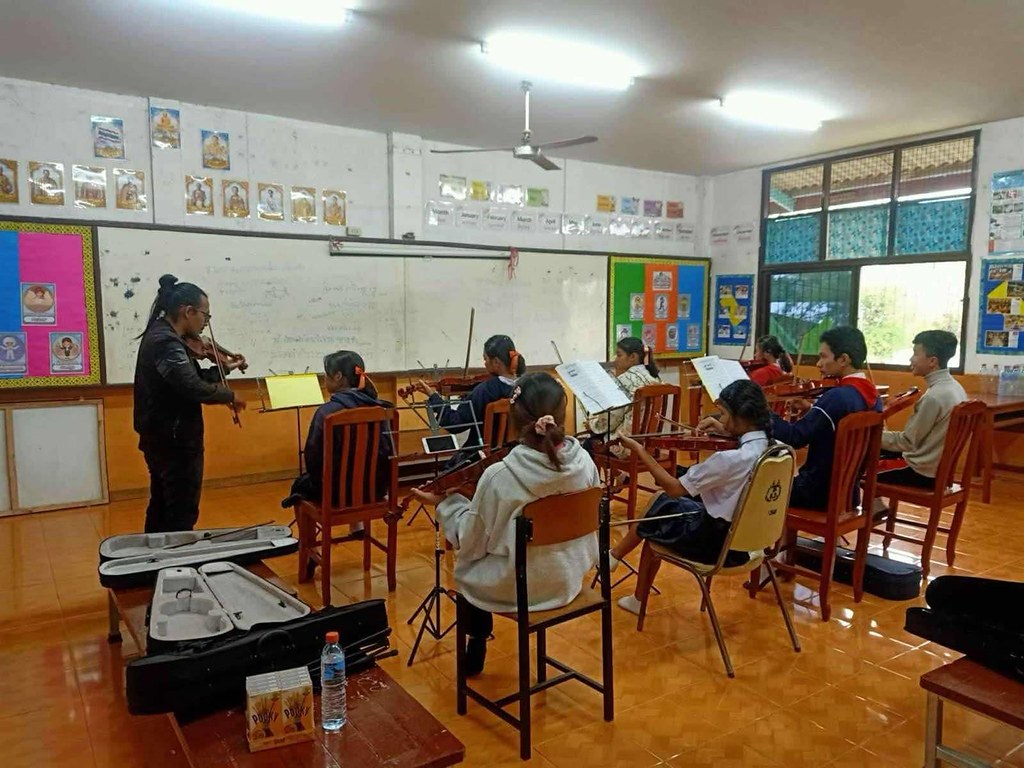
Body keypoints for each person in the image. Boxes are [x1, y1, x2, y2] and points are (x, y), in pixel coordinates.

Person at [410, 372, 600, 675]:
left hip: (520, 589)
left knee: (468, 567)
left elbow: (469, 541)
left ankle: (477, 640)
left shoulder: (500, 476)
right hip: (570, 577)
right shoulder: (586, 462)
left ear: (514, 417)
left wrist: (448, 503)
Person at [609, 380, 772, 614]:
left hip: (716, 546)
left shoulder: (730, 460)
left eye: (724, 415)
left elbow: (673, 488)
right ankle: (615, 557)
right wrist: (726, 430)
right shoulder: (777, 449)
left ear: (742, 416)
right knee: (662, 503)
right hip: (748, 543)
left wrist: (639, 450)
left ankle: (636, 594)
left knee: (657, 518)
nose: (721, 420)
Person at [133, 274, 246, 533]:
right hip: (173, 440)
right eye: (205, 316)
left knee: (162, 504)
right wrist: (229, 396)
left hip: (163, 436)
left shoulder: (167, 337)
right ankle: (174, 565)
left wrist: (225, 368)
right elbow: (191, 386)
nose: (206, 324)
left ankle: (154, 562)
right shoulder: (165, 341)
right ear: (188, 311)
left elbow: (192, 378)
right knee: (180, 509)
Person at [769, 326, 881, 509]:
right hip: (848, 494)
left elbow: (795, 437)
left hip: (815, 494)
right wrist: (812, 408)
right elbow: (836, 423)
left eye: (823, 356)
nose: (818, 364)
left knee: (754, 487)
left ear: (843, 359)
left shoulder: (837, 396)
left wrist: (760, 412)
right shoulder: (873, 396)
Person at [282, 351, 394, 531]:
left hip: (337, 495)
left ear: (338, 376)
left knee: (301, 484)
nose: (324, 378)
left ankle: (308, 545)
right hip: (375, 491)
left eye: (326, 374)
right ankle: (356, 527)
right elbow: (388, 451)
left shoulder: (327, 412)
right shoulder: (381, 409)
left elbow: (313, 459)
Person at [409, 334, 525, 457]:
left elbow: (455, 423)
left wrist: (434, 397)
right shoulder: (527, 386)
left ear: (496, 362)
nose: (484, 363)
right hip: (516, 454)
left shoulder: (486, 391)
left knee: (449, 469)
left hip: (483, 457)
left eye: (486, 359)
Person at [879, 330, 967, 488]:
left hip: (920, 472)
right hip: (937, 469)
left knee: (859, 466)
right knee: (878, 453)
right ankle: (879, 510)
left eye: (915, 353)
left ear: (932, 361)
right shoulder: (956, 387)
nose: (910, 359)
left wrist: (872, 435)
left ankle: (872, 511)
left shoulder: (933, 397)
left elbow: (907, 443)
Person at [584, 336, 660, 459]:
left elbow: (610, 420)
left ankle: (614, 477)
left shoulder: (625, 380)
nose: (615, 360)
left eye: (619, 355)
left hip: (627, 445)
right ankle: (622, 477)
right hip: (651, 444)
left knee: (588, 445)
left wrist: (592, 424)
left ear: (633, 357)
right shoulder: (655, 378)